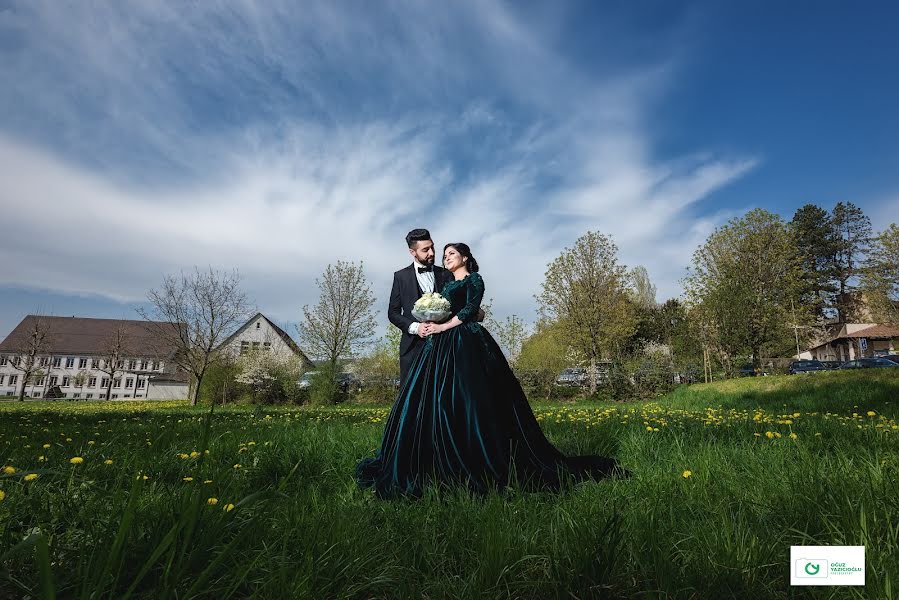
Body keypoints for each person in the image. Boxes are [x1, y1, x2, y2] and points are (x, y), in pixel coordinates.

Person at [357, 242, 629, 499]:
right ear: (413, 251)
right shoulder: (434, 280)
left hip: (466, 342)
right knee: (432, 402)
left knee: (473, 397)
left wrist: (447, 323)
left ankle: (479, 454)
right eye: (439, 253)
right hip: (437, 344)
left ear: (465, 257)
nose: (443, 256)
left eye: (449, 253)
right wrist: (427, 321)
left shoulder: (473, 279)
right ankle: (428, 459)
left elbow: (472, 310)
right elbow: (398, 312)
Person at [387, 228, 455, 386]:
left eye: (432, 247)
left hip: (444, 346)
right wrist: (415, 327)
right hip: (412, 348)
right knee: (411, 397)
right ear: (413, 252)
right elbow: (393, 313)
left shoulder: (446, 274)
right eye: (425, 250)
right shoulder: (400, 277)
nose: (431, 253)